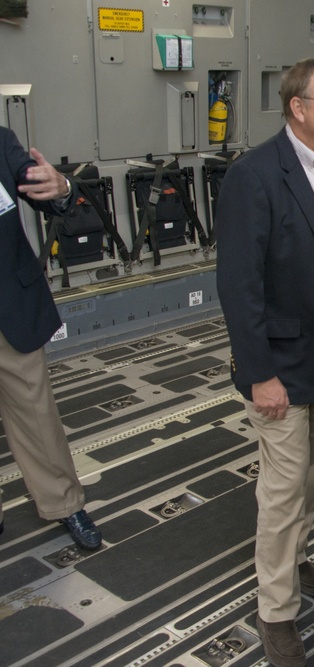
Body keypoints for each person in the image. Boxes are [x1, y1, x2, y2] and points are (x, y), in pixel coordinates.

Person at [215, 58, 314, 667]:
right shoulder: (254, 176)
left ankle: (297, 558)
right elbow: (238, 285)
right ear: (299, 108)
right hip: (279, 367)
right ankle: (276, 612)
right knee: (281, 492)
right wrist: (260, 374)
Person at [0, 127, 102, 551]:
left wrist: (60, 187)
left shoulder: (0, 141)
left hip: (9, 304)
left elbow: (43, 188)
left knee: (36, 413)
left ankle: (64, 502)